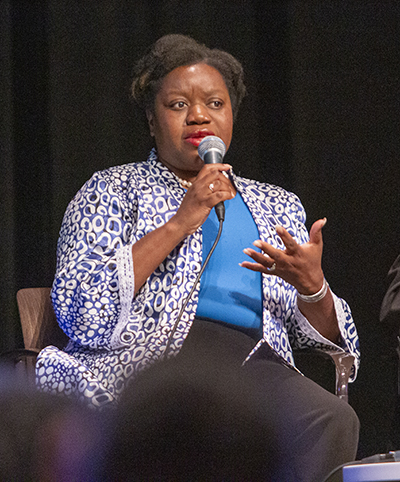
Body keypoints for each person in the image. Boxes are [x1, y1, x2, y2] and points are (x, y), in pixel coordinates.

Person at [36, 34, 360, 480]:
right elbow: (80, 311)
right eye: (177, 105)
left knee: (332, 418)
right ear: (151, 120)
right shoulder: (112, 190)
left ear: (231, 116)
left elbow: (335, 347)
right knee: (184, 426)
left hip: (254, 365)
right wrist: (179, 223)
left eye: (214, 103)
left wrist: (313, 287)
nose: (199, 116)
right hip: (153, 365)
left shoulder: (277, 204)